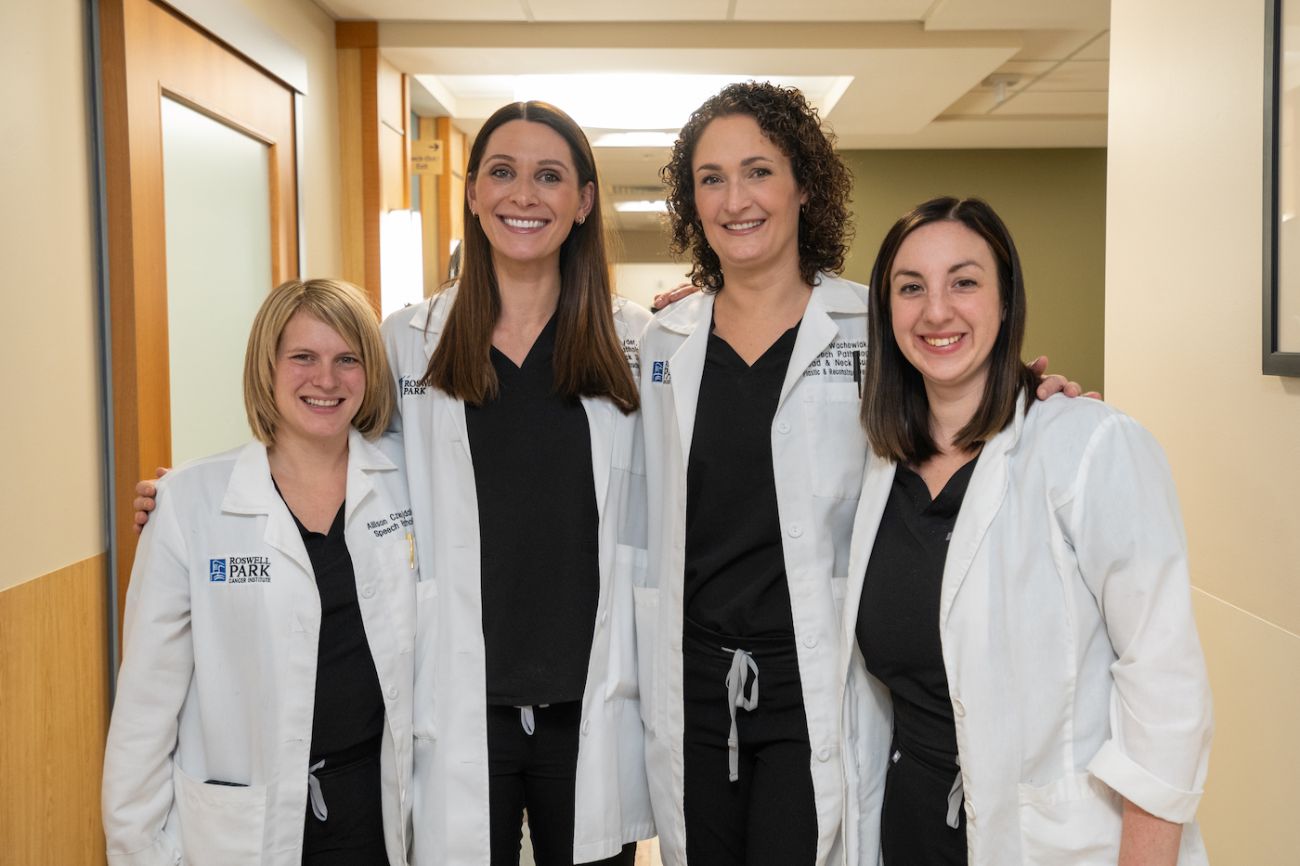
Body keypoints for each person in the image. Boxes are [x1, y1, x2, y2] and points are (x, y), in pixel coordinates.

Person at [840, 197, 1213, 865]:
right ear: (886, 310)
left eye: (964, 281)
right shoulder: (878, 470)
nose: (936, 311)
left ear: (1006, 300)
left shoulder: (1091, 447)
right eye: (910, 288)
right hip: (909, 827)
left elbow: (1165, 686)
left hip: (1057, 844)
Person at [380, 101, 651, 866]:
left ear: (584, 201)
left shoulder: (642, 343)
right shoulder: (406, 341)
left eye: (549, 177)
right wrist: (204, 498)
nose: (523, 196)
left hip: (591, 699)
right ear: (471, 193)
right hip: (461, 701)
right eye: (501, 172)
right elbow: (336, 457)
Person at [103, 278, 415, 865]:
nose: (326, 379)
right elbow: (145, 710)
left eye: (347, 359)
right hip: (242, 825)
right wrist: (138, 851)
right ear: (266, 367)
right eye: (303, 357)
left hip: (375, 814)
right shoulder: (191, 504)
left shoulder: (409, 485)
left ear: (370, 373)